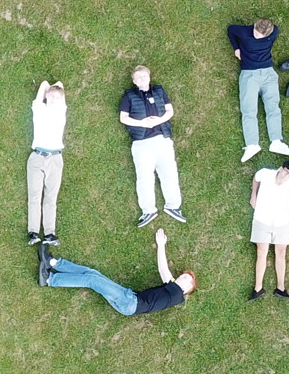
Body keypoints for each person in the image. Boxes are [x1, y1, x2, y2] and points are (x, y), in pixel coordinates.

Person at [42, 229, 196, 316]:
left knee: (92, 281)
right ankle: (53, 263)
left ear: (188, 288)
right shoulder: (173, 292)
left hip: (130, 302)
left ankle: (50, 279)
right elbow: (167, 276)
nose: (181, 277)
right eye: (183, 275)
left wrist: (161, 245)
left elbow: (163, 269)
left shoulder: (177, 293)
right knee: (92, 274)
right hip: (129, 299)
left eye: (185, 278)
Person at [118, 66, 185, 227]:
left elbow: (169, 111)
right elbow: (123, 118)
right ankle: (148, 210)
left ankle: (174, 206)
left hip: (163, 138)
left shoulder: (159, 91)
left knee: (169, 173)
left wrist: (158, 121)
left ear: (149, 77)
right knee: (144, 177)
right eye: (138, 77)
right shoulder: (129, 96)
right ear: (134, 81)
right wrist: (142, 123)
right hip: (142, 142)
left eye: (144, 76)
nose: (142, 78)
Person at [227, 19, 289, 161]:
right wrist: (236, 48)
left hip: (268, 72)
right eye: (256, 33)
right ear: (254, 25)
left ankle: (276, 142)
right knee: (249, 110)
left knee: (273, 107)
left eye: (260, 36)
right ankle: (252, 145)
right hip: (249, 74)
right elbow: (231, 30)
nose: (257, 37)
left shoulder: (273, 32)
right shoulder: (244, 32)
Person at [249, 161, 289, 300]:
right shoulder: (265, 173)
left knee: (281, 253)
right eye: (286, 172)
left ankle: (281, 288)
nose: (286, 176)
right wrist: (253, 195)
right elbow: (256, 178)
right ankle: (258, 288)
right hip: (262, 219)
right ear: (280, 168)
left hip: (282, 221)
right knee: (261, 253)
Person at [26, 81, 67, 245]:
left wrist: (56, 91)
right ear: (46, 96)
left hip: (56, 158)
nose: (54, 99)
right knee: (34, 196)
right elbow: (44, 84)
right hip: (37, 156)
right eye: (52, 96)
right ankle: (33, 232)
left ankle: (50, 233)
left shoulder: (61, 112)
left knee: (51, 197)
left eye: (58, 97)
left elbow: (60, 84)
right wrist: (48, 91)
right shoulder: (38, 109)